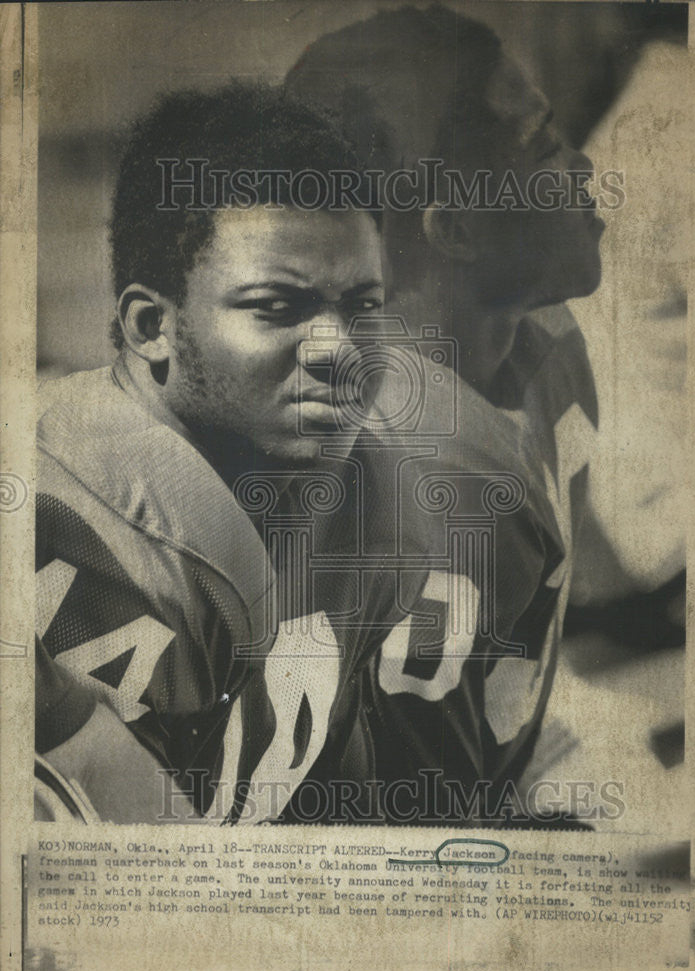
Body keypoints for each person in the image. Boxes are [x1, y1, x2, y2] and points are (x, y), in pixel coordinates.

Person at [35, 81, 430, 824]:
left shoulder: (370, 497)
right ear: (152, 326)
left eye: (362, 308)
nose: (337, 352)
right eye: (275, 308)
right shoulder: (45, 521)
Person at [286, 3, 604, 824]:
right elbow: (393, 841)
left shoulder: (541, 334)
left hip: (502, 765)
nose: (580, 165)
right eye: (538, 148)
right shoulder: (414, 484)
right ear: (454, 225)